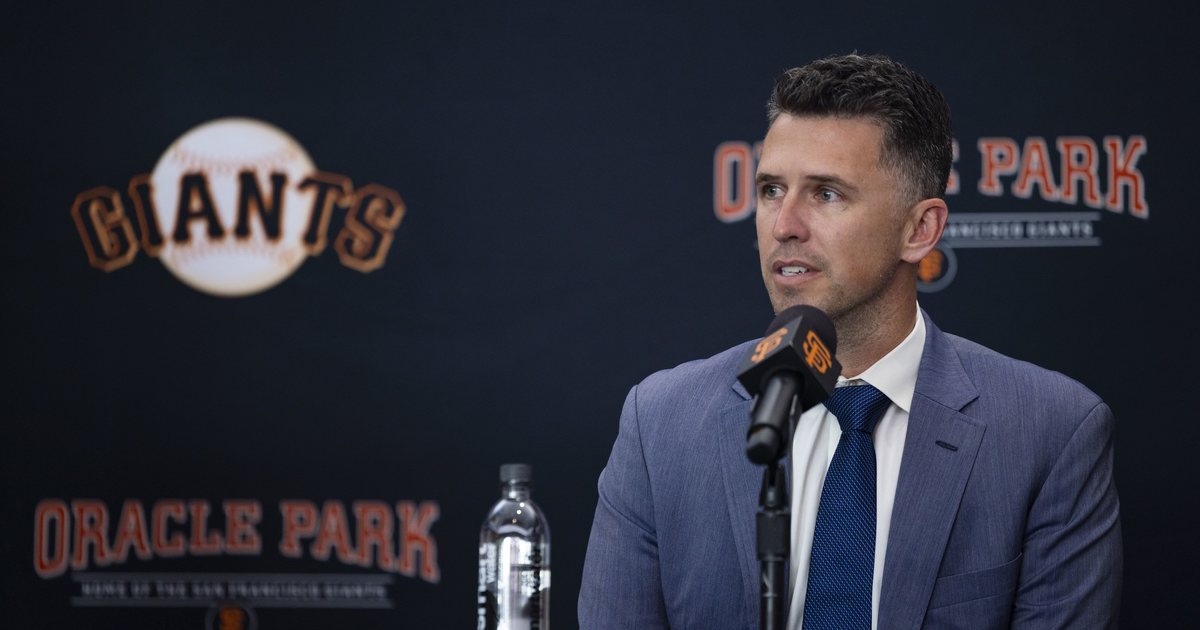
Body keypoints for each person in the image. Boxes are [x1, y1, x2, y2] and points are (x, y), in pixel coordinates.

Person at [578, 54, 1121, 630]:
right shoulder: (660, 423)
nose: (784, 224)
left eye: (827, 194)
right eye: (770, 189)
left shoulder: (1052, 431)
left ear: (921, 230)